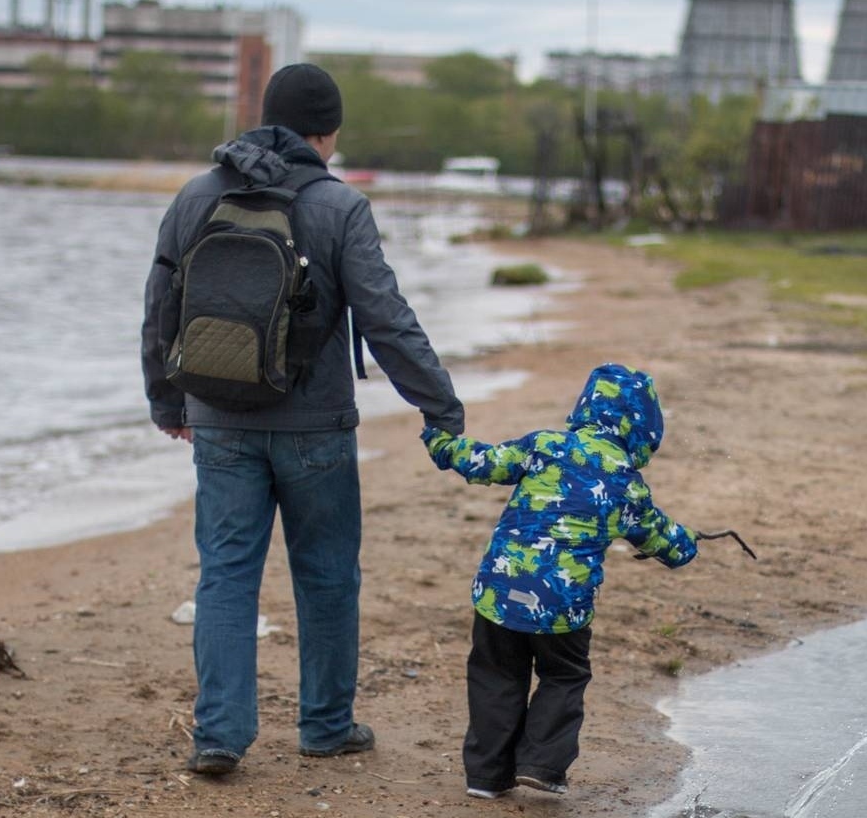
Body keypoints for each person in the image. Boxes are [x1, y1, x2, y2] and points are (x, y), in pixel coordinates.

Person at [141, 63, 465, 775]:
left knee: (225, 575)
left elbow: (161, 307)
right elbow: (386, 319)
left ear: (265, 117)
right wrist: (440, 405)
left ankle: (219, 736)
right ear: (330, 133)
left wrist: (167, 402)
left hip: (218, 416)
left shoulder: (197, 194)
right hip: (315, 426)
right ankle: (325, 726)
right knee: (325, 576)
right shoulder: (339, 206)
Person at [421, 363, 701, 800]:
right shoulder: (626, 484)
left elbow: (483, 463)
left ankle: (486, 777)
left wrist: (440, 442)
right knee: (564, 676)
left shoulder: (544, 446)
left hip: (499, 594)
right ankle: (541, 764)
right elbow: (665, 541)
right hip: (562, 608)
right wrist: (688, 543)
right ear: (644, 426)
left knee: (496, 674)